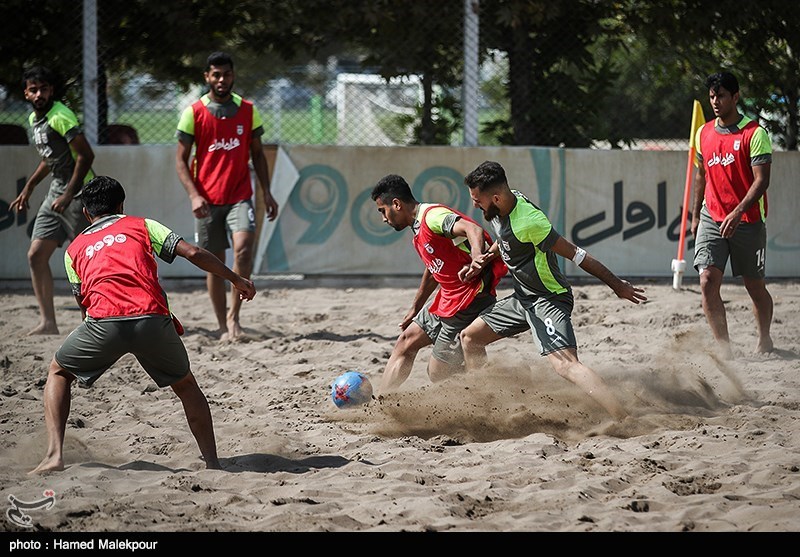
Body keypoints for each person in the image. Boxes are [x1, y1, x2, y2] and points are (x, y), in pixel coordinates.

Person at [30, 176, 256, 475]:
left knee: (58, 372)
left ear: (86, 213)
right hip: (151, 318)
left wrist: (104, 339)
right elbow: (193, 253)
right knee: (187, 386)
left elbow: (83, 304)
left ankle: (54, 455)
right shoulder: (141, 225)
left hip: (103, 324)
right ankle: (213, 463)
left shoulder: (75, 249)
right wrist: (236, 279)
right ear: (121, 205)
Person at [459, 161, 647, 421]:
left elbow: (577, 255)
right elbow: (504, 241)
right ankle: (484, 409)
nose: (475, 205)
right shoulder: (501, 207)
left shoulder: (530, 222)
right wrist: (483, 260)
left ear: (496, 197)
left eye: (477, 200)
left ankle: (625, 419)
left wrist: (617, 285)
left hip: (548, 299)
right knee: (470, 338)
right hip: (523, 298)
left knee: (566, 365)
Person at [175, 51, 278, 341]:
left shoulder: (248, 109)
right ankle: (221, 324)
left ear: (233, 76)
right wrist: (194, 196)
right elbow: (181, 160)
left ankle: (234, 319)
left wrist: (267, 192)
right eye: (216, 75)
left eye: (227, 74)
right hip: (206, 200)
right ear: (207, 77)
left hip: (240, 196)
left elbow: (258, 155)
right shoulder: (193, 112)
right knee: (214, 262)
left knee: (243, 250)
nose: (222, 79)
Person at [371, 174, 507, 392]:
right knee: (405, 341)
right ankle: (380, 402)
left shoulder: (432, 217)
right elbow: (434, 269)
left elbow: (474, 230)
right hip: (448, 297)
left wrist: (475, 257)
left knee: (438, 373)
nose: (383, 218)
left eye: (382, 211)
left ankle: (504, 384)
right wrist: (416, 307)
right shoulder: (417, 226)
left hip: (468, 299)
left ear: (396, 204)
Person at [691, 71, 773, 360]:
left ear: (735, 97)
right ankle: (724, 349)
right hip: (712, 216)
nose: (715, 101)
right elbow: (701, 174)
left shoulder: (755, 133)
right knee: (707, 281)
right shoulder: (704, 133)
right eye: (712, 96)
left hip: (748, 221)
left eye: (721, 95)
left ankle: (764, 338)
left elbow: (761, 180)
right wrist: (695, 213)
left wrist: (738, 211)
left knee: (754, 286)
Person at [11, 66, 96, 336]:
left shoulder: (61, 115)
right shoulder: (36, 118)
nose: (39, 94)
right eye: (33, 89)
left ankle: (92, 321)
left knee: (85, 259)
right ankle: (48, 322)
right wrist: (30, 186)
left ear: (51, 90)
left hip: (78, 192)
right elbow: (51, 158)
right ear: (26, 93)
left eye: (43, 89)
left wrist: (69, 194)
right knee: (36, 255)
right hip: (57, 191)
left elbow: (86, 155)